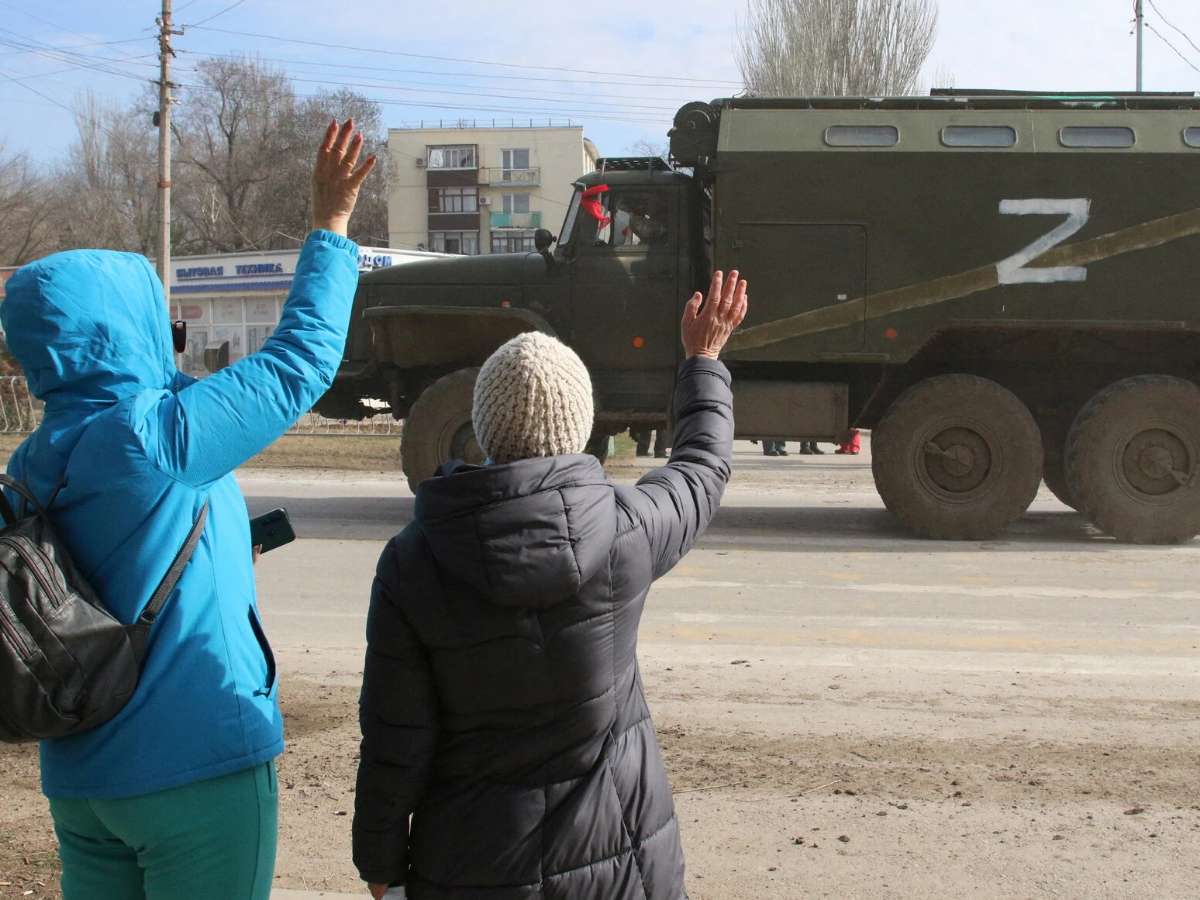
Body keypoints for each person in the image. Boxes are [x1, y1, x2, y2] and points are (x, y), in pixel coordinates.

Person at [1, 119, 375, 900]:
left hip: (80, 778)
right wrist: (332, 226)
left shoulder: (33, 459)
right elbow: (299, 363)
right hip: (193, 767)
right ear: (125, 326)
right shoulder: (154, 437)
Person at [353, 270, 749, 900]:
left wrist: (378, 862)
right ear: (580, 427)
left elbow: (395, 737)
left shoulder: (412, 562)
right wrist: (703, 360)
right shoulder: (627, 531)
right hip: (619, 866)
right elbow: (702, 466)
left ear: (484, 429)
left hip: (469, 867)